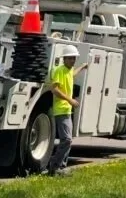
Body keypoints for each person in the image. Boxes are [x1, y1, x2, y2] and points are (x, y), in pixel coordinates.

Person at [46, 45, 89, 176]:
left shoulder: (68, 70)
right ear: (64, 59)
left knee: (68, 140)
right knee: (67, 139)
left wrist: (82, 67)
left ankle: (61, 167)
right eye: (70, 58)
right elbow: (55, 89)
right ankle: (54, 166)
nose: (72, 61)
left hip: (67, 110)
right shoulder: (59, 70)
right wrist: (70, 100)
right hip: (61, 109)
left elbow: (72, 74)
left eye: (74, 58)